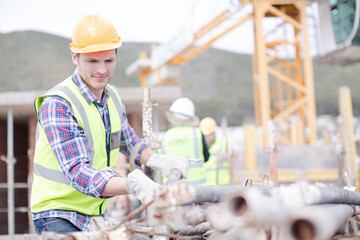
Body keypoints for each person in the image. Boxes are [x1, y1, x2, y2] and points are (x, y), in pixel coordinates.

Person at [30, 14, 189, 234]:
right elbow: (78, 173)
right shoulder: (58, 103)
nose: (102, 70)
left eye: (109, 61)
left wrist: (158, 160)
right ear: (75, 57)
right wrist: (132, 184)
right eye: (92, 61)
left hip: (95, 213)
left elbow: (128, 141)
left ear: (116, 56)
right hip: (58, 213)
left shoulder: (112, 97)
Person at [158, 97, 209, 185]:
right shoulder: (197, 133)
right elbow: (206, 157)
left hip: (172, 190)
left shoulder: (163, 138)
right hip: (198, 190)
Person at [199, 117, 230, 185]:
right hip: (206, 186)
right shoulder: (199, 145)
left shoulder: (222, 143)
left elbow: (231, 160)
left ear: (213, 133)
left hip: (222, 187)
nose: (207, 137)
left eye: (209, 134)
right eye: (205, 135)